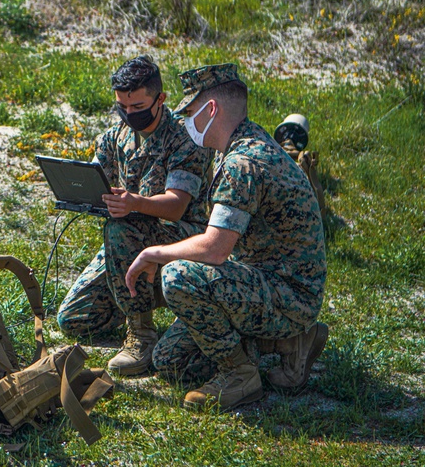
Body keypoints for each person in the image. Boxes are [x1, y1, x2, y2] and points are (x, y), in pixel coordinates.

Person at [125, 64, 328, 410]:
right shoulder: (243, 144)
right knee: (169, 360)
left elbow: (216, 249)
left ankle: (240, 374)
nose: (187, 120)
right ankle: (288, 344)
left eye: (190, 112)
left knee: (177, 274)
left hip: (290, 294)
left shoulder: (243, 162)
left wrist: (155, 253)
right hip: (268, 281)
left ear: (212, 110)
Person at [56, 56, 213, 376]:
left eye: (138, 107)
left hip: (184, 236)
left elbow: (176, 206)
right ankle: (146, 292)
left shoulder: (185, 138)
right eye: (122, 107)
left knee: (121, 228)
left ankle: (141, 335)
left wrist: (134, 203)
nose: (130, 115)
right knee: (75, 319)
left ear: (160, 99)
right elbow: (100, 180)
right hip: (130, 238)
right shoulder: (115, 137)